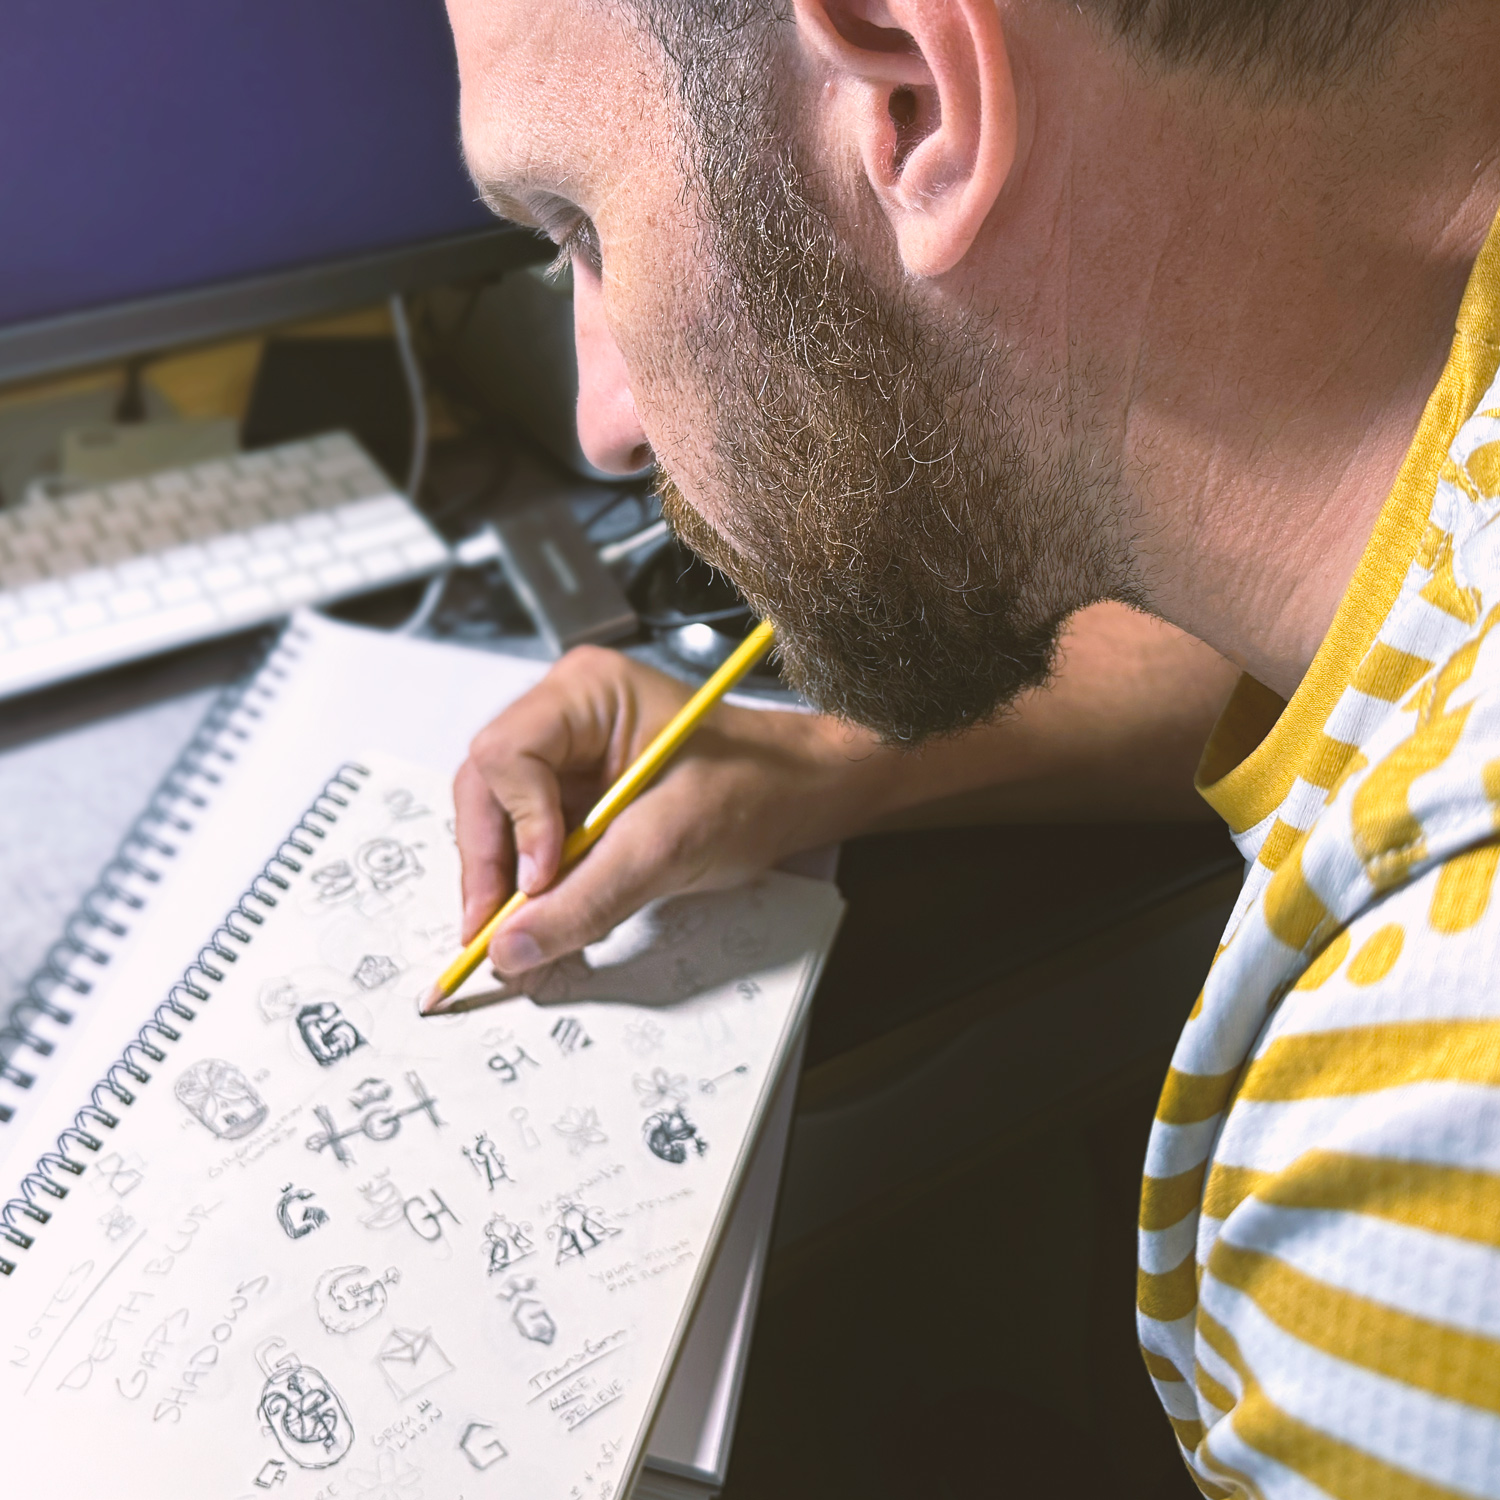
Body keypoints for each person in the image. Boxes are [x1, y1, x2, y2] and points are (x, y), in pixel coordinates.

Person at [443, 0, 1500, 1492]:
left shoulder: (1424, 1168)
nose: (602, 419)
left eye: (585, 225)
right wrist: (845, 758)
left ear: (917, 101)